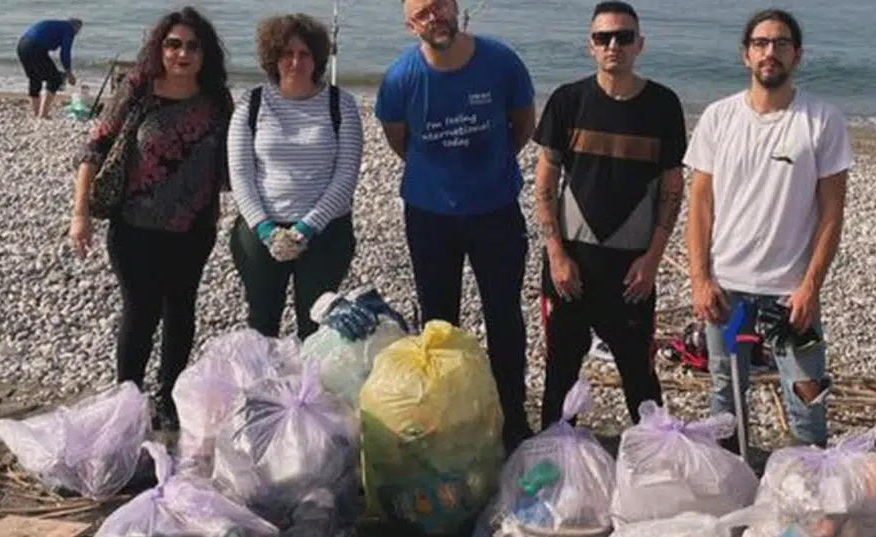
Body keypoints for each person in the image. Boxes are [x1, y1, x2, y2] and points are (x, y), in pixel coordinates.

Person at [683, 8, 853, 452]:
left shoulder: (822, 120)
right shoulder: (719, 118)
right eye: (760, 44)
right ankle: (731, 486)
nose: (770, 52)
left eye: (780, 44)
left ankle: (808, 486)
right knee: (725, 398)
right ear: (746, 55)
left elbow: (832, 212)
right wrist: (700, 280)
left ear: (796, 55)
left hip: (790, 294)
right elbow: (699, 205)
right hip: (727, 292)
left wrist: (810, 286)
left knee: (807, 396)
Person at [375, 0, 537, 453]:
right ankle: (445, 414)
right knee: (438, 320)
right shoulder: (400, 77)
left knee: (503, 316)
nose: (435, 17)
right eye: (423, 12)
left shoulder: (501, 61)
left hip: (495, 211)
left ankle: (512, 416)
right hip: (429, 217)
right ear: (410, 24)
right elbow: (399, 140)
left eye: (441, 5)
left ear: (457, 8)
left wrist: (488, 169)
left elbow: (522, 126)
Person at [68, 6, 234, 431]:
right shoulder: (138, 89)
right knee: (140, 311)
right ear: (160, 48)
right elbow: (93, 149)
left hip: (194, 230)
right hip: (134, 228)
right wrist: (80, 213)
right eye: (173, 44)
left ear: (205, 53)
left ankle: (168, 398)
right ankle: (128, 400)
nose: (182, 54)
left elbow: (235, 164)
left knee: (181, 309)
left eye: (193, 46)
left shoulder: (217, 99)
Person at [532, 1, 687, 428]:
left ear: (640, 44)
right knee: (560, 373)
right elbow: (544, 183)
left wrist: (653, 260)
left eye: (623, 37)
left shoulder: (662, 105)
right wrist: (556, 255)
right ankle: (554, 463)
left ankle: (651, 460)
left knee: (639, 375)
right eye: (603, 38)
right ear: (591, 46)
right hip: (571, 266)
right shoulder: (568, 101)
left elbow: (672, 188)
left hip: (631, 269)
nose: (613, 45)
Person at [227, 14, 364, 340]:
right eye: (287, 54)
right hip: (261, 232)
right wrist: (264, 228)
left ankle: (309, 389)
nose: (295, 61)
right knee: (261, 322)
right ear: (272, 58)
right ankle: (264, 388)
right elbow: (240, 174)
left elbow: (346, 176)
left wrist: (306, 228)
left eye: (304, 54)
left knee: (316, 324)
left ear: (317, 57)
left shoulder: (340, 104)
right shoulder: (251, 104)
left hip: (326, 232)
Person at [17, 18, 83, 118]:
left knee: (34, 78)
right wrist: (69, 72)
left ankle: (36, 113)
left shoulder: (57, 24)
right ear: (76, 28)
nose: (77, 33)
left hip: (21, 45)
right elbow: (65, 52)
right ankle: (43, 114)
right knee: (55, 79)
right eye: (79, 31)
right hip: (35, 47)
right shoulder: (69, 30)